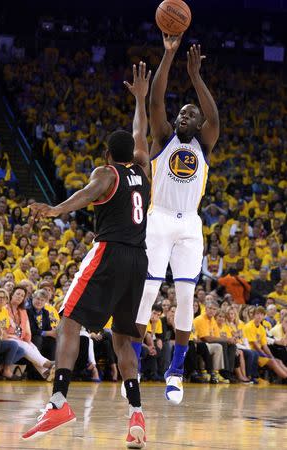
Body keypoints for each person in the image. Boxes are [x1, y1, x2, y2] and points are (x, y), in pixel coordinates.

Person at [22, 61, 151, 449]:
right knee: (124, 339)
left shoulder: (106, 172)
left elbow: (85, 195)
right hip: (139, 260)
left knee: (69, 319)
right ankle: (136, 415)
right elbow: (140, 134)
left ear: (107, 153)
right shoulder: (144, 172)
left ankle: (59, 401)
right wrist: (141, 101)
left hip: (110, 253)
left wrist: (56, 209)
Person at [135, 35, 219, 404]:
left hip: (189, 225)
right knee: (149, 290)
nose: (184, 115)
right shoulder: (164, 137)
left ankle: (177, 370)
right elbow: (155, 100)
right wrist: (169, 56)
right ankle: (133, 363)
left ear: (198, 124)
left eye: (190, 114)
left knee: (186, 296)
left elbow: (214, 116)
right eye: (181, 112)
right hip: (160, 219)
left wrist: (196, 77)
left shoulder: (205, 142)